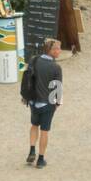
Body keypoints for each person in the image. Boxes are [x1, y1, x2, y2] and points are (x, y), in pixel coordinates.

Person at [27, 38, 64, 168]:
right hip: (47, 103)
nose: (60, 51)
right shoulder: (55, 67)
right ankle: (41, 159)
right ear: (52, 50)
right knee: (45, 131)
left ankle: (32, 149)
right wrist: (58, 103)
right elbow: (58, 87)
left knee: (34, 125)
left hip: (32, 101)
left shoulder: (34, 60)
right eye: (58, 49)